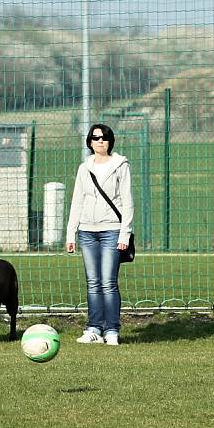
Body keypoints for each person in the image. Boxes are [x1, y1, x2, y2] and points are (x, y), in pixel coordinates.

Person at [66, 123, 134, 346]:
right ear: (90, 142)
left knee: (108, 282)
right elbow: (77, 201)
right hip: (87, 231)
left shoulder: (120, 165)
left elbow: (127, 202)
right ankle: (94, 328)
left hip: (111, 231)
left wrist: (125, 234)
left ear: (110, 141)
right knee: (93, 283)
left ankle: (112, 330)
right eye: (95, 138)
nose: (100, 141)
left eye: (104, 137)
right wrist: (70, 233)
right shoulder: (84, 168)